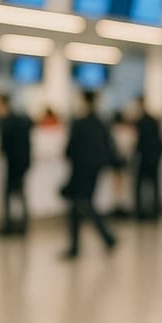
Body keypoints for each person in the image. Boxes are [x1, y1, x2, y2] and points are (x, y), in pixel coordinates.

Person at [62, 91, 117, 258]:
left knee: (82, 204)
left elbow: (70, 150)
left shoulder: (79, 123)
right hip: (94, 170)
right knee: (79, 205)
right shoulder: (101, 123)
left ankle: (105, 237)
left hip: (80, 170)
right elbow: (109, 147)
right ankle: (76, 245)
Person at [0, 94, 33, 236]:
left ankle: (13, 225)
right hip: (18, 164)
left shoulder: (11, 122)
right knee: (17, 195)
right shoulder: (17, 120)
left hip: (16, 165)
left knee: (14, 195)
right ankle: (17, 225)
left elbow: (9, 146)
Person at [132, 97, 162, 220]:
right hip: (154, 157)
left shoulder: (140, 122)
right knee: (154, 185)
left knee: (140, 185)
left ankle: (140, 212)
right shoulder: (153, 120)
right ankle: (154, 211)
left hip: (145, 157)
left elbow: (140, 141)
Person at [108, 110, 136, 218]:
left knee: (119, 185)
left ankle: (119, 206)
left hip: (118, 160)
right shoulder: (128, 131)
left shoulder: (115, 131)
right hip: (124, 160)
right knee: (123, 185)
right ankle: (121, 206)